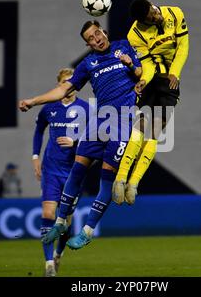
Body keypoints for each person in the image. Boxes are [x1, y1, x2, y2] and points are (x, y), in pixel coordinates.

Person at [19, 20, 142, 250]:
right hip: (99, 123)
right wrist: (33, 101)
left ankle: (87, 231)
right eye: (90, 39)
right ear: (88, 44)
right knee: (77, 171)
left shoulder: (125, 46)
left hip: (121, 125)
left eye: (97, 33)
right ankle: (60, 222)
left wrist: (139, 78)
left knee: (107, 182)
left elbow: (142, 72)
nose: (96, 39)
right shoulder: (88, 63)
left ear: (104, 31)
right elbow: (64, 89)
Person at [112, 0, 190, 205]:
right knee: (140, 127)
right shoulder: (135, 35)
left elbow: (182, 47)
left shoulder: (175, 13)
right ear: (143, 22)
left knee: (156, 131)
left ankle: (134, 183)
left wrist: (174, 72)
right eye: (151, 17)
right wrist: (144, 80)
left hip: (169, 81)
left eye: (154, 11)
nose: (157, 16)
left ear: (154, 5)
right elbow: (147, 64)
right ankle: (120, 179)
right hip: (152, 80)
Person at [32, 68, 90, 276]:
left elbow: (95, 137)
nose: (70, 86)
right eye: (65, 82)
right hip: (52, 169)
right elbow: (39, 131)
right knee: (48, 213)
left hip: (75, 172)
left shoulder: (86, 108)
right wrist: (35, 157)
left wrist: (74, 142)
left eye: (73, 82)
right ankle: (49, 265)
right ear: (59, 85)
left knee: (65, 222)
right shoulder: (50, 108)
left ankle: (58, 254)